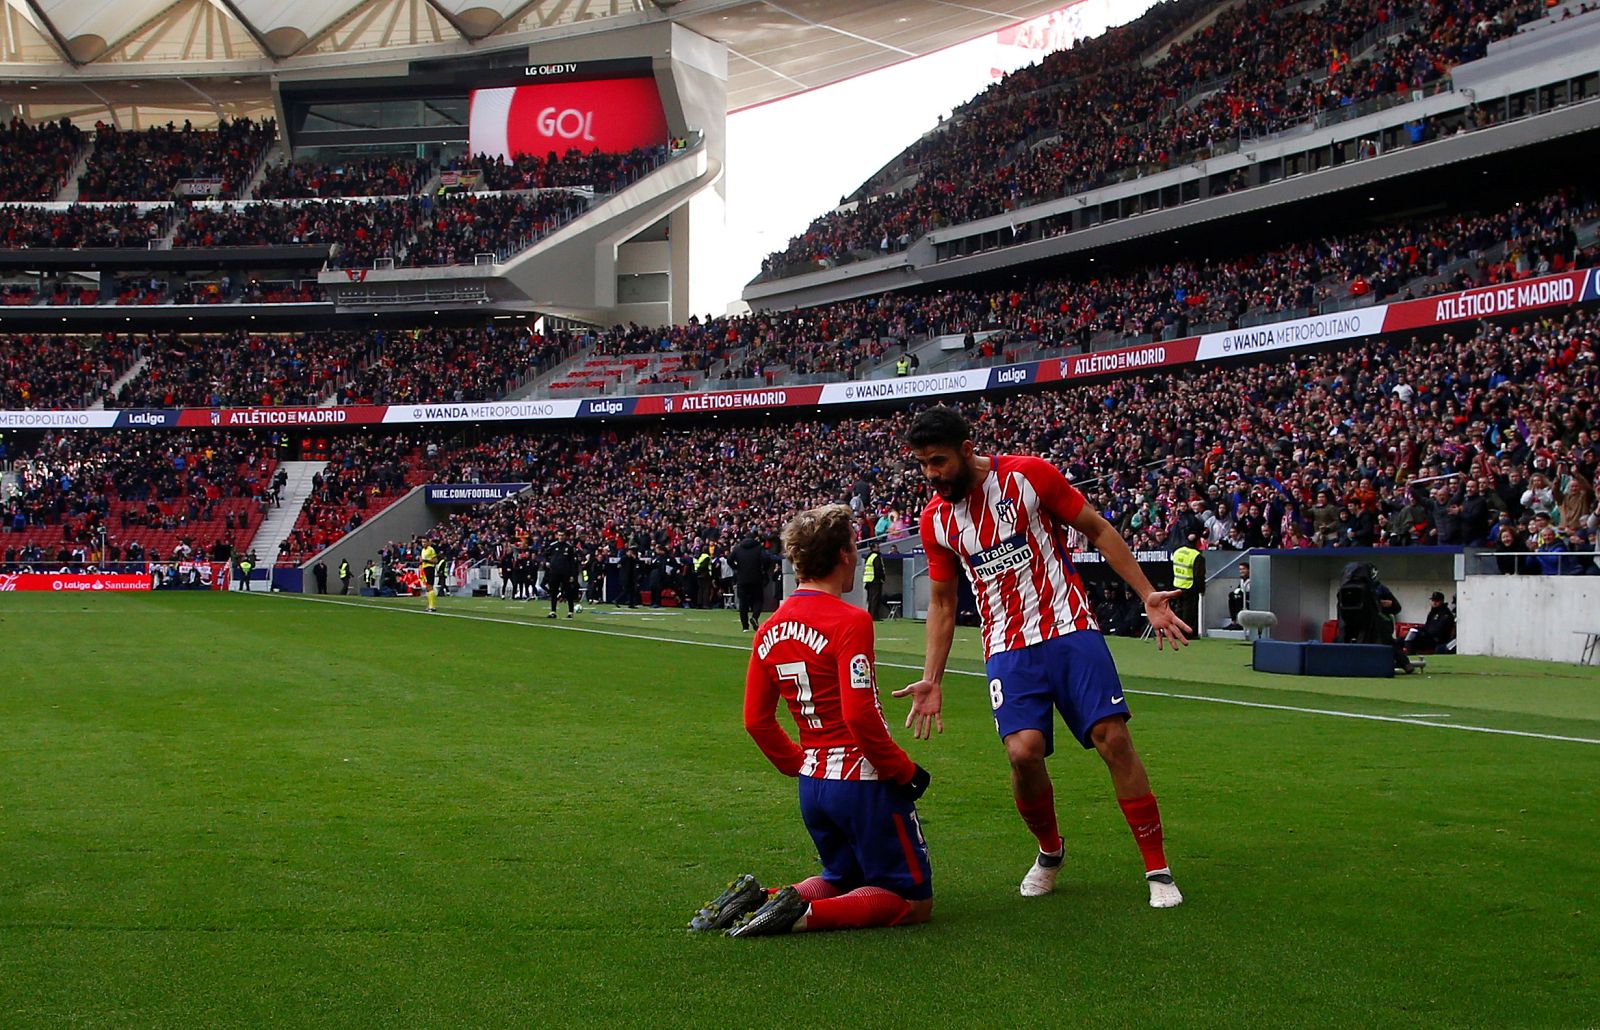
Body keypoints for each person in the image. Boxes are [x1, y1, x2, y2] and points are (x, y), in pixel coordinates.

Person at [893, 406, 1186, 909]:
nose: (932, 475)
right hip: (1007, 647)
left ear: (967, 450)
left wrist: (1145, 594)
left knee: (1112, 737)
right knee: (1022, 752)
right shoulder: (936, 520)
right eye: (922, 465)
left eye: (938, 461)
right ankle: (1050, 853)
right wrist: (931, 678)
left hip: (1071, 628)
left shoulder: (1028, 475)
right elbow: (943, 601)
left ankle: (1157, 867)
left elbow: (1096, 528)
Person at [691, 503, 932, 937]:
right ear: (843, 554)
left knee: (842, 877)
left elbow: (756, 721)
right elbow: (859, 713)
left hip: (814, 784)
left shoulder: (770, 628)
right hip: (862, 781)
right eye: (854, 546)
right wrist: (903, 771)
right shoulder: (850, 621)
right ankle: (801, 916)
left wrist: (800, 764)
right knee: (912, 901)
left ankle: (761, 899)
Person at [730, 533, 777, 631]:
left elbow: (729, 560)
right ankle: (755, 617)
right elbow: (766, 558)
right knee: (758, 600)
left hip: (742, 578)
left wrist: (737, 568)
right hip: (756, 578)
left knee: (743, 602)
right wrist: (763, 569)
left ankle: (745, 626)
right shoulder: (759, 548)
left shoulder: (738, 548)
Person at [1170, 534, 1204, 633]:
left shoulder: (1177, 552)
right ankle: (1187, 632)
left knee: (1178, 610)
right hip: (1190, 586)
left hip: (1177, 584)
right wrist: (1201, 589)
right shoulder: (1196, 555)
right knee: (1189, 612)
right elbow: (1199, 575)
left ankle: (1176, 631)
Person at [544, 530, 580, 619]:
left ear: (565, 536)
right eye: (559, 535)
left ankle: (570, 612)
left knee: (568, 592)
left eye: (562, 535)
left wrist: (572, 575)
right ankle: (553, 611)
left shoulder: (569, 547)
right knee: (553, 592)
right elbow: (545, 555)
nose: (561, 537)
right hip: (554, 572)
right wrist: (547, 562)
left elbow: (572, 562)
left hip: (566, 573)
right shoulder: (553, 546)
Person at [863, 544, 886, 621]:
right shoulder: (876, 557)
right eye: (877, 547)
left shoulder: (869, 557)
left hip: (868, 580)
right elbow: (878, 568)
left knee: (870, 598)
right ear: (873, 548)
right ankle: (875, 616)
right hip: (875, 579)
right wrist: (882, 578)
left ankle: (870, 615)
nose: (879, 548)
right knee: (875, 598)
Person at [1227, 561, 1251, 630]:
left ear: (1248, 570)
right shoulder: (1241, 580)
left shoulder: (1252, 580)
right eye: (1240, 569)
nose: (1241, 571)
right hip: (1242, 600)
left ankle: (1240, 622)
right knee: (1232, 596)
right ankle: (1234, 622)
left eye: (1243, 569)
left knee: (1238, 598)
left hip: (1250, 601)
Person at [419, 538, 440, 614]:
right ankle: (430, 605)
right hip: (424, 568)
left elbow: (435, 561)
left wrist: (426, 560)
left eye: (425, 542)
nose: (423, 543)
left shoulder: (431, 549)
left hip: (429, 568)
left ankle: (432, 606)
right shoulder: (423, 550)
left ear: (428, 542)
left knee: (430, 586)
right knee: (427, 587)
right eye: (422, 542)